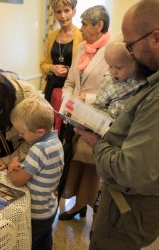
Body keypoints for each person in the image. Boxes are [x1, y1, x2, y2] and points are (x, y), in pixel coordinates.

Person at [75, 0, 159, 249]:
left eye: (131, 45)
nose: (130, 52)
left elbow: (128, 171)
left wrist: (98, 144)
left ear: (155, 37)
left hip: (129, 212)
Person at [58, 5, 110, 220]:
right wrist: (68, 99)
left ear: (99, 26)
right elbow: (70, 82)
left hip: (96, 118)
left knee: (92, 167)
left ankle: (92, 212)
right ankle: (78, 204)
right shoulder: (81, 48)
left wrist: (85, 100)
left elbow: (114, 91)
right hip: (75, 115)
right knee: (75, 162)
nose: (81, 27)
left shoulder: (113, 50)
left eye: (85, 24)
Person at [7, 96, 64, 250]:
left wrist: (11, 166)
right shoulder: (56, 142)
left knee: (30, 243)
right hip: (49, 208)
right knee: (45, 240)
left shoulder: (38, 149)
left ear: (39, 132)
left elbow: (18, 181)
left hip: (36, 213)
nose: (20, 136)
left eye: (23, 133)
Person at [40, 0, 82, 139]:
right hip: (51, 89)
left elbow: (86, 68)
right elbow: (43, 64)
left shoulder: (81, 36)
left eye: (66, 10)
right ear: (54, 14)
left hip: (70, 90)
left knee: (66, 129)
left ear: (74, 11)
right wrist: (52, 67)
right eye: (58, 12)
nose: (63, 15)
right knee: (49, 124)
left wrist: (70, 71)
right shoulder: (52, 36)